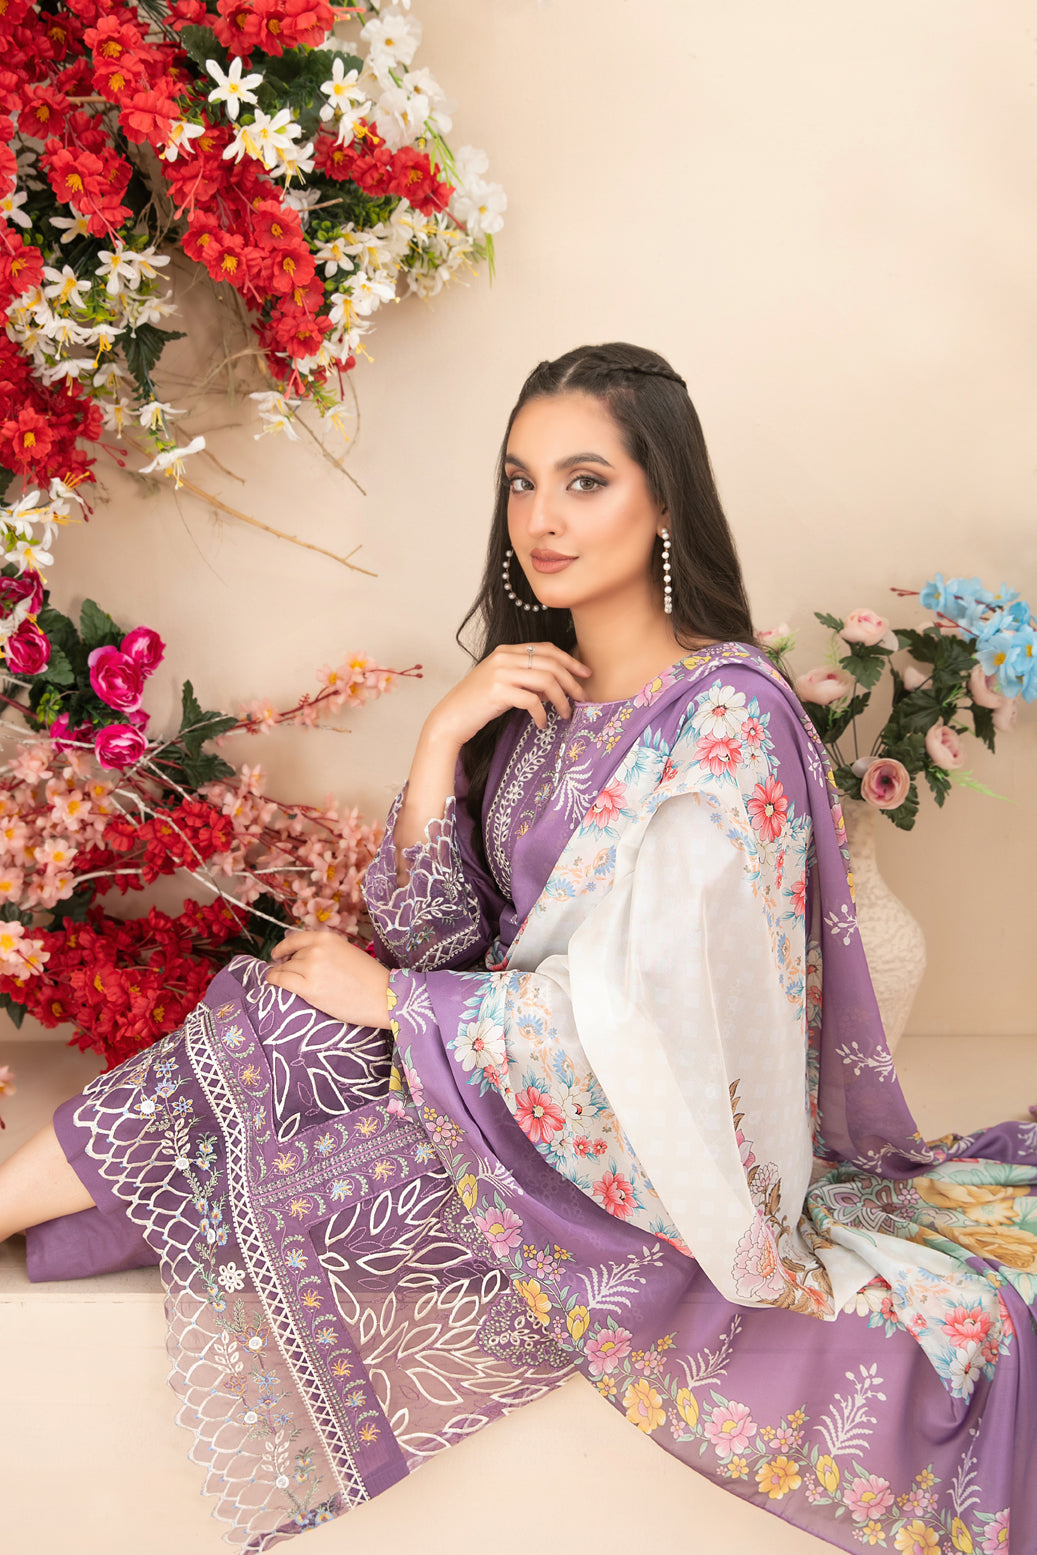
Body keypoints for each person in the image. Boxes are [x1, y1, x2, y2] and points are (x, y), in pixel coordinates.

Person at [1, 341, 1034, 1551]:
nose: (540, 518)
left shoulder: (724, 722)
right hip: (501, 1083)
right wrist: (441, 739)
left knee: (289, 1052)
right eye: (519, 481)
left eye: (584, 481)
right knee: (285, 1026)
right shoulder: (536, 698)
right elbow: (435, 936)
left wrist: (397, 1003)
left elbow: (663, 1018)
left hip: (635, 1152)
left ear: (664, 500)